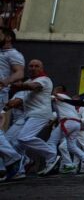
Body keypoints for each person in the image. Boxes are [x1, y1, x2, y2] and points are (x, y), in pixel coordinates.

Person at [43, 85, 84, 176]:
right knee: (71, 147)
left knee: (51, 142)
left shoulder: (58, 96)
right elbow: (57, 114)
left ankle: (50, 164)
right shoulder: (68, 100)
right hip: (76, 124)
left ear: (59, 90)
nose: (53, 90)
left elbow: (46, 97)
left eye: (55, 88)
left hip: (68, 123)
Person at [0, 27, 24, 181]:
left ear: (8, 37)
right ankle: (7, 164)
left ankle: (13, 158)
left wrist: (4, 82)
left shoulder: (14, 54)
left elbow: (19, 72)